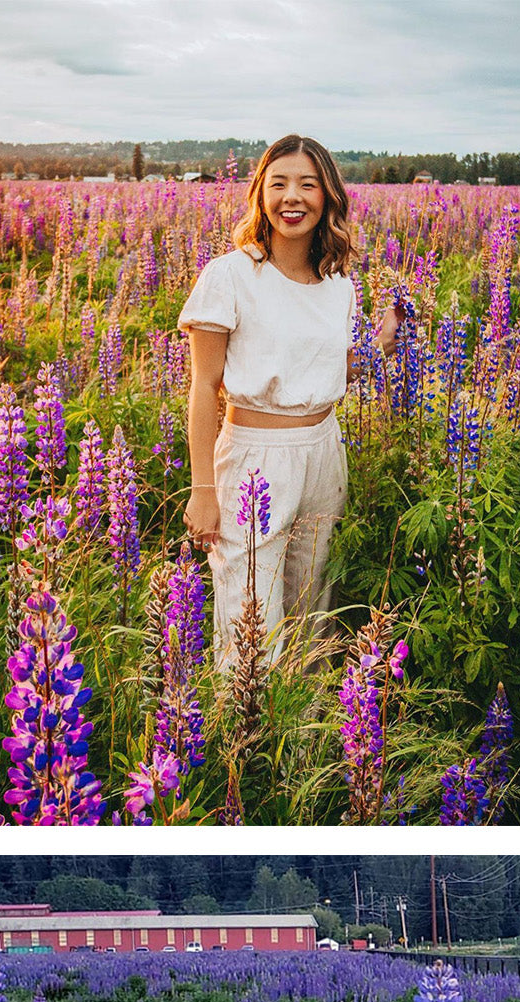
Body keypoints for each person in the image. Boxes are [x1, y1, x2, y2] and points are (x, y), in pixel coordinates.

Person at [177, 133, 401, 667]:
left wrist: (379, 346)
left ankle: (302, 745)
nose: (292, 197)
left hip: (325, 451)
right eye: (279, 184)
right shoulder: (229, 274)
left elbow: (325, 372)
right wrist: (203, 489)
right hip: (254, 455)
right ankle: (246, 744)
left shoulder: (338, 284)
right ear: (261, 193)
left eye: (308, 184)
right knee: (249, 623)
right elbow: (204, 387)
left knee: (312, 611)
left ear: (327, 197)